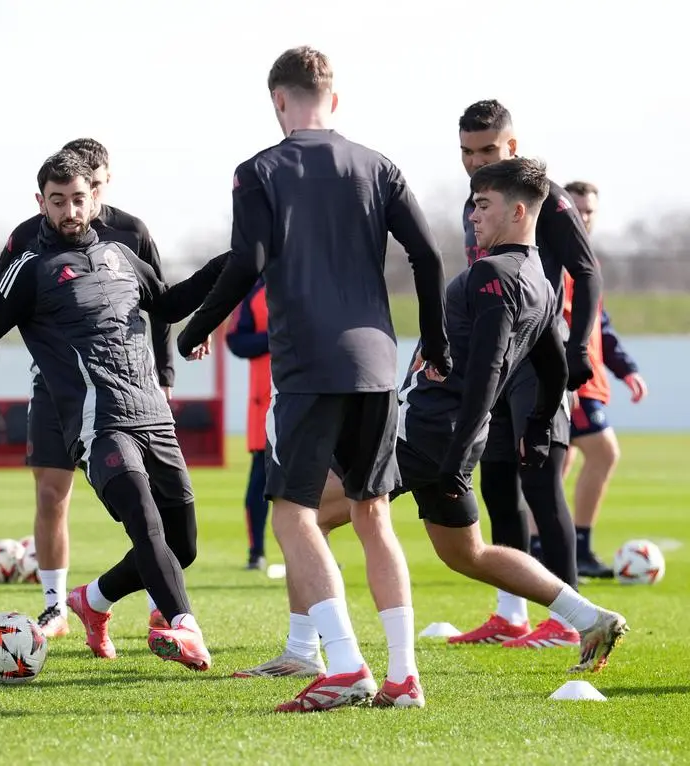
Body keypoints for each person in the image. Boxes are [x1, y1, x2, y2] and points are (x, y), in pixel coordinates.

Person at [250, 158, 630, 686]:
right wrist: (539, 424)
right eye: (473, 203)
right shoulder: (543, 284)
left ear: (518, 211)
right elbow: (552, 366)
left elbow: (489, 370)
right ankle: (590, 618)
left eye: (484, 204)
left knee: (303, 517)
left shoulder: (491, 275)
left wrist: (461, 446)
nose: (472, 214)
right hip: (455, 439)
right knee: (467, 553)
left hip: (423, 431)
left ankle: (307, 652)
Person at [176, 45, 451, 712]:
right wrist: (435, 341)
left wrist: (197, 325)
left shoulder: (259, 170)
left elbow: (248, 262)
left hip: (308, 365)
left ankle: (347, 665)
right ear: (335, 98)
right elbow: (426, 254)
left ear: (278, 100)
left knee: (292, 514)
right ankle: (404, 674)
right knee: (372, 513)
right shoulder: (379, 165)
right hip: (378, 363)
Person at [0, 150, 227, 671]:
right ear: (41, 202)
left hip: (152, 415)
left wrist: (230, 262)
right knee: (142, 516)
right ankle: (184, 625)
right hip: (98, 421)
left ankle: (91, 602)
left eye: (78, 199)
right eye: (57, 200)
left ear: (95, 197)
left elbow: (168, 306)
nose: (70, 210)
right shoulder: (30, 270)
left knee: (183, 544)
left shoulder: (122, 254)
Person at [0, 138, 176, 638]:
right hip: (58, 389)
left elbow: (159, 306)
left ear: (104, 185)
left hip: (129, 392)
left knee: (151, 506)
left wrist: (164, 376)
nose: (84, 200)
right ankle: (56, 606)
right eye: (75, 190)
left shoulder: (131, 233)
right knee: (52, 495)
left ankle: (161, 604)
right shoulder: (29, 236)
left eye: (94, 187)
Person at [449, 100, 602, 649]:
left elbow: (586, 273)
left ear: (512, 145)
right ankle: (511, 613)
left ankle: (567, 620)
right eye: (467, 151)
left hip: (539, 361)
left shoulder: (546, 200)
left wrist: (579, 346)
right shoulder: (477, 202)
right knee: (496, 485)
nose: (476, 160)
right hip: (498, 364)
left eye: (488, 149)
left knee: (540, 483)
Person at [553, 181, 647, 578]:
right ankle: (579, 550)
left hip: (589, 381)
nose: (584, 216)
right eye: (576, 209)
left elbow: (598, 325)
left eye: (589, 210)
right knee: (603, 454)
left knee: (561, 462)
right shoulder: (557, 259)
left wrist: (625, 368)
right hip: (573, 383)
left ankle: (545, 549)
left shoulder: (586, 258)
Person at [224, 276, 272, 570]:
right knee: (260, 480)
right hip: (265, 400)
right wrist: (278, 336)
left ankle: (318, 553)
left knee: (319, 481)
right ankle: (257, 552)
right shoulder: (254, 289)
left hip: (312, 397)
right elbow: (236, 340)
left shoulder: (313, 274)